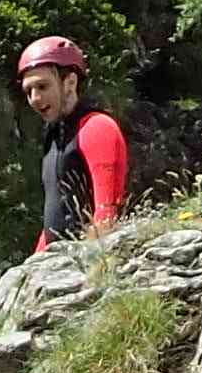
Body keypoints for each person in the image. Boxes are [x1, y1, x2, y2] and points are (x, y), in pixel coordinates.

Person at [17, 34, 129, 251]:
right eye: (28, 91)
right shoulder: (53, 137)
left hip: (86, 264)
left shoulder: (97, 128)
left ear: (70, 82)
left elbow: (107, 212)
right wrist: (36, 262)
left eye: (42, 86)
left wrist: (91, 267)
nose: (34, 98)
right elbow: (54, 216)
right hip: (56, 266)